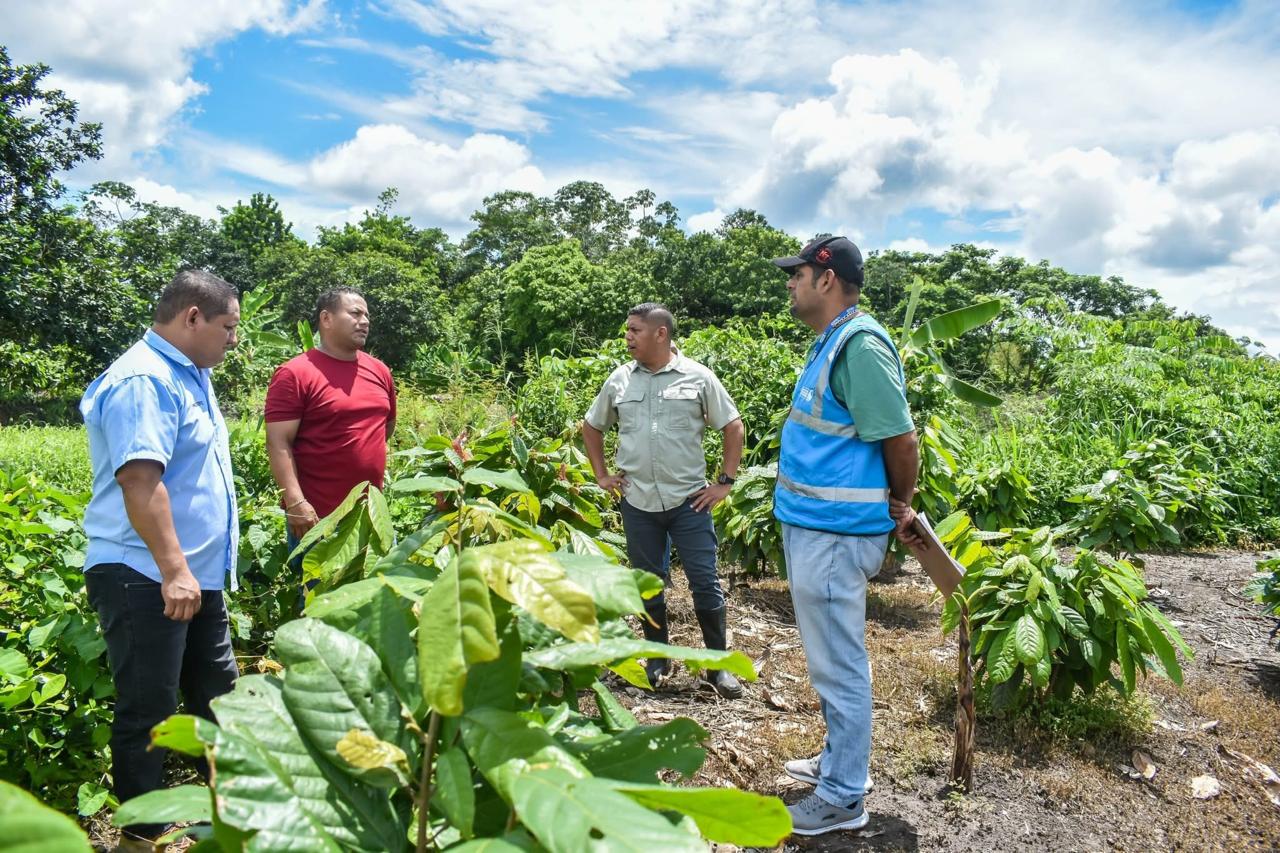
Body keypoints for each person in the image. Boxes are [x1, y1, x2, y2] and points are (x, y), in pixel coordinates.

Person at [80, 270, 242, 849]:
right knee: (149, 710)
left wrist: (191, 572)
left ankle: (234, 823)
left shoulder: (191, 373)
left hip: (194, 576)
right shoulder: (145, 379)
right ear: (192, 317)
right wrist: (174, 571)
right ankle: (140, 839)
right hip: (146, 574)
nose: (234, 340)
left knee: (218, 701)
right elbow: (140, 481)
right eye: (229, 327)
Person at [769, 236, 921, 836]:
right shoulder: (832, 341)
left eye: (798, 273)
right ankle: (838, 762)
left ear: (827, 279)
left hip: (834, 535)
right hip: (816, 529)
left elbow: (901, 440)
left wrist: (902, 503)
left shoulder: (860, 345)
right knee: (829, 661)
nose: (791, 283)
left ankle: (841, 797)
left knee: (839, 665)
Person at [582, 302, 746, 699]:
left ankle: (717, 666)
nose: (628, 337)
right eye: (627, 330)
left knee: (705, 582)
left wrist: (724, 483)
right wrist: (602, 475)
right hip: (638, 502)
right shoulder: (620, 380)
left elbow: (733, 426)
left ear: (661, 334)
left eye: (635, 330)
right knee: (648, 582)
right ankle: (657, 659)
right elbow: (591, 426)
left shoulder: (698, 377)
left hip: (689, 502)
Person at [264, 287, 396, 562]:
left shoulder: (379, 371)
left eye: (367, 315)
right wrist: (295, 502)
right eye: (355, 313)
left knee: (381, 587)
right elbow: (278, 443)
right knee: (319, 588)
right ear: (326, 318)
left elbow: (386, 426)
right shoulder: (295, 373)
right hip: (318, 519)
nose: (364, 321)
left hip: (372, 513)